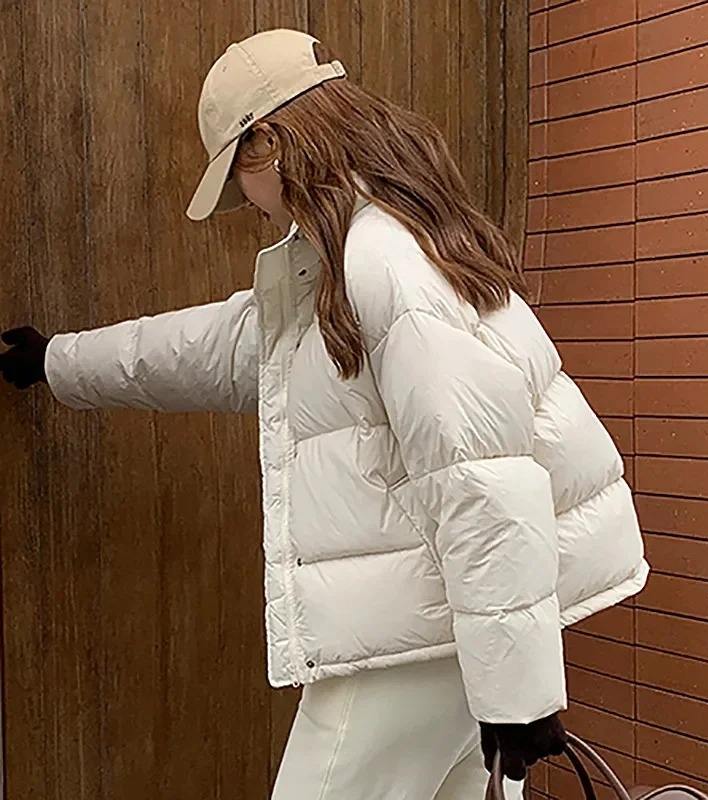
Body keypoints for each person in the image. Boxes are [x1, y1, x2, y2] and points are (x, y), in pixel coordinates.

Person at [0, 28, 648, 800]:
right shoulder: (349, 260)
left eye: (239, 176)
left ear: (269, 142)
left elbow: (481, 476)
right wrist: (56, 360)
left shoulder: (387, 262)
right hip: (451, 624)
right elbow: (205, 348)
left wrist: (521, 695)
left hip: (421, 635)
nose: (248, 205)